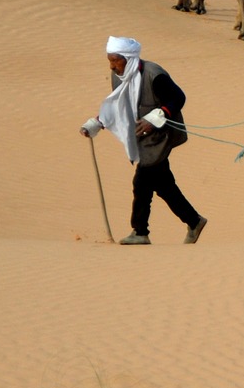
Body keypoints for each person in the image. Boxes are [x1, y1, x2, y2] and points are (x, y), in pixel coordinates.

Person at [80, 36, 207, 245]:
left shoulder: (154, 74)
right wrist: (96, 124)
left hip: (161, 136)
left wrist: (156, 118)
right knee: (164, 185)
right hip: (142, 139)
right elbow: (117, 107)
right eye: (110, 61)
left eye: (115, 61)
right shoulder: (119, 77)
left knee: (142, 182)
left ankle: (140, 232)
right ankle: (193, 221)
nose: (112, 66)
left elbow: (178, 98)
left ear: (128, 58)